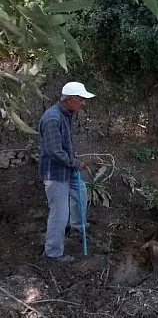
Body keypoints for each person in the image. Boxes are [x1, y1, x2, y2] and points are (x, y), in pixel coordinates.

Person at [39, 81, 95, 263]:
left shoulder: (67, 114)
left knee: (81, 195)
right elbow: (55, 151)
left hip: (68, 170)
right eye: (81, 99)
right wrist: (75, 163)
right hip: (55, 174)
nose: (83, 103)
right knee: (59, 213)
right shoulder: (52, 119)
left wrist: (73, 163)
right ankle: (53, 252)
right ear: (69, 100)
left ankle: (77, 225)